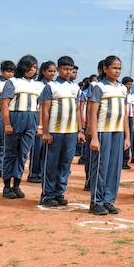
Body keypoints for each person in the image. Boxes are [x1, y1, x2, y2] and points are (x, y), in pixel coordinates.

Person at [86, 56, 130, 215]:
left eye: (119, 68)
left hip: (117, 133)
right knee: (100, 168)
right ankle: (96, 201)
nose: (117, 71)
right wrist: (94, 137)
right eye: (114, 68)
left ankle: (109, 200)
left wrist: (127, 137)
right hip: (103, 131)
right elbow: (93, 112)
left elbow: (125, 114)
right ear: (105, 69)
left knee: (114, 168)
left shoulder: (123, 88)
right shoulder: (98, 87)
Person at [38, 56, 80, 207]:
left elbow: (78, 110)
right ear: (58, 69)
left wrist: (80, 130)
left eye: (70, 69)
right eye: (65, 69)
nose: (68, 72)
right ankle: (47, 194)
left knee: (65, 164)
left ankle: (59, 192)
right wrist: (45, 131)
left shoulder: (75, 88)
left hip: (71, 132)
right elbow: (45, 110)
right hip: (55, 132)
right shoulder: (51, 86)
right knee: (51, 163)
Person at [0, 55, 41, 199]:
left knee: (23, 154)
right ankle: (6, 186)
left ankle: (16, 185)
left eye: (35, 67)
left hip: (32, 119)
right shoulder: (12, 82)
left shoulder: (38, 85)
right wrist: (7, 124)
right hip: (16, 117)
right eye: (29, 67)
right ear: (23, 67)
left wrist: (39, 125)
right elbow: (5, 103)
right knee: (11, 153)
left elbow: (40, 106)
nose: (32, 70)